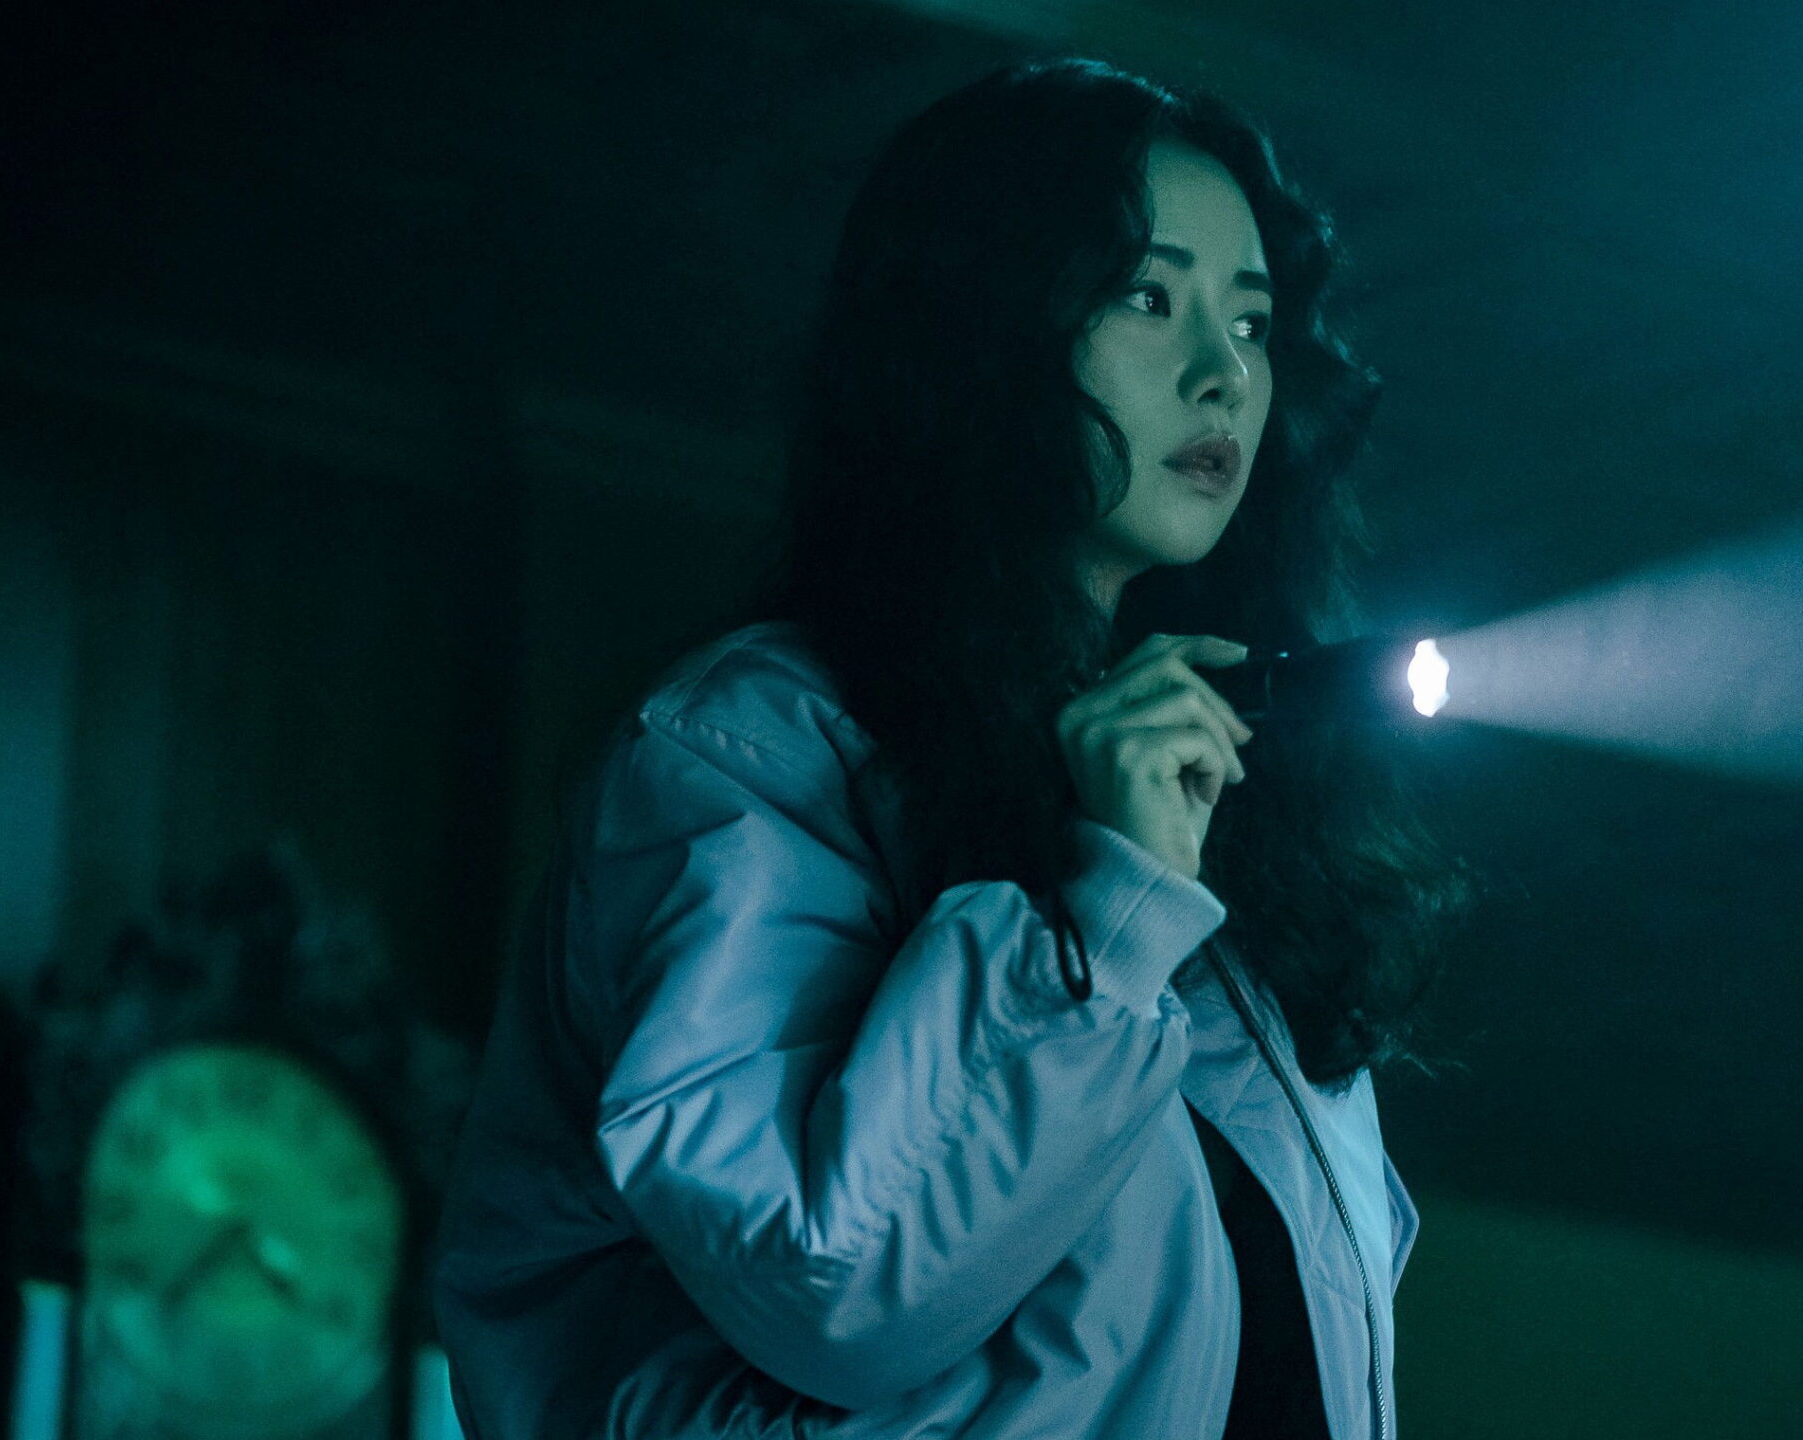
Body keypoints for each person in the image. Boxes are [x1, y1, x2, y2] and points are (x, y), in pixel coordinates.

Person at [434, 55, 1487, 1439]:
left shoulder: (1222, 787)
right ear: (983, 331)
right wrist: (1107, 913)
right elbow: (832, 1282)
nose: (1223, 373)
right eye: (1147, 297)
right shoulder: (748, 753)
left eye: (1252, 320)